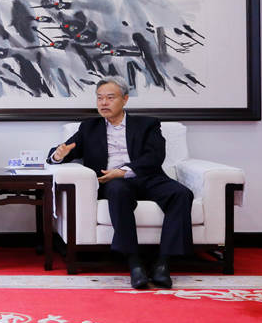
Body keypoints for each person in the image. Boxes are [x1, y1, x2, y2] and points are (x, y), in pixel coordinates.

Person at [48, 76, 193, 289]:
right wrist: (58, 155)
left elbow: (155, 156)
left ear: (125, 99)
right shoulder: (89, 128)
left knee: (182, 194)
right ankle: (135, 263)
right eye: (99, 98)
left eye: (110, 97)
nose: (103, 103)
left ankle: (163, 263)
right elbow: (63, 151)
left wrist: (124, 171)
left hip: (148, 177)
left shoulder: (147, 124)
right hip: (113, 182)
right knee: (118, 191)